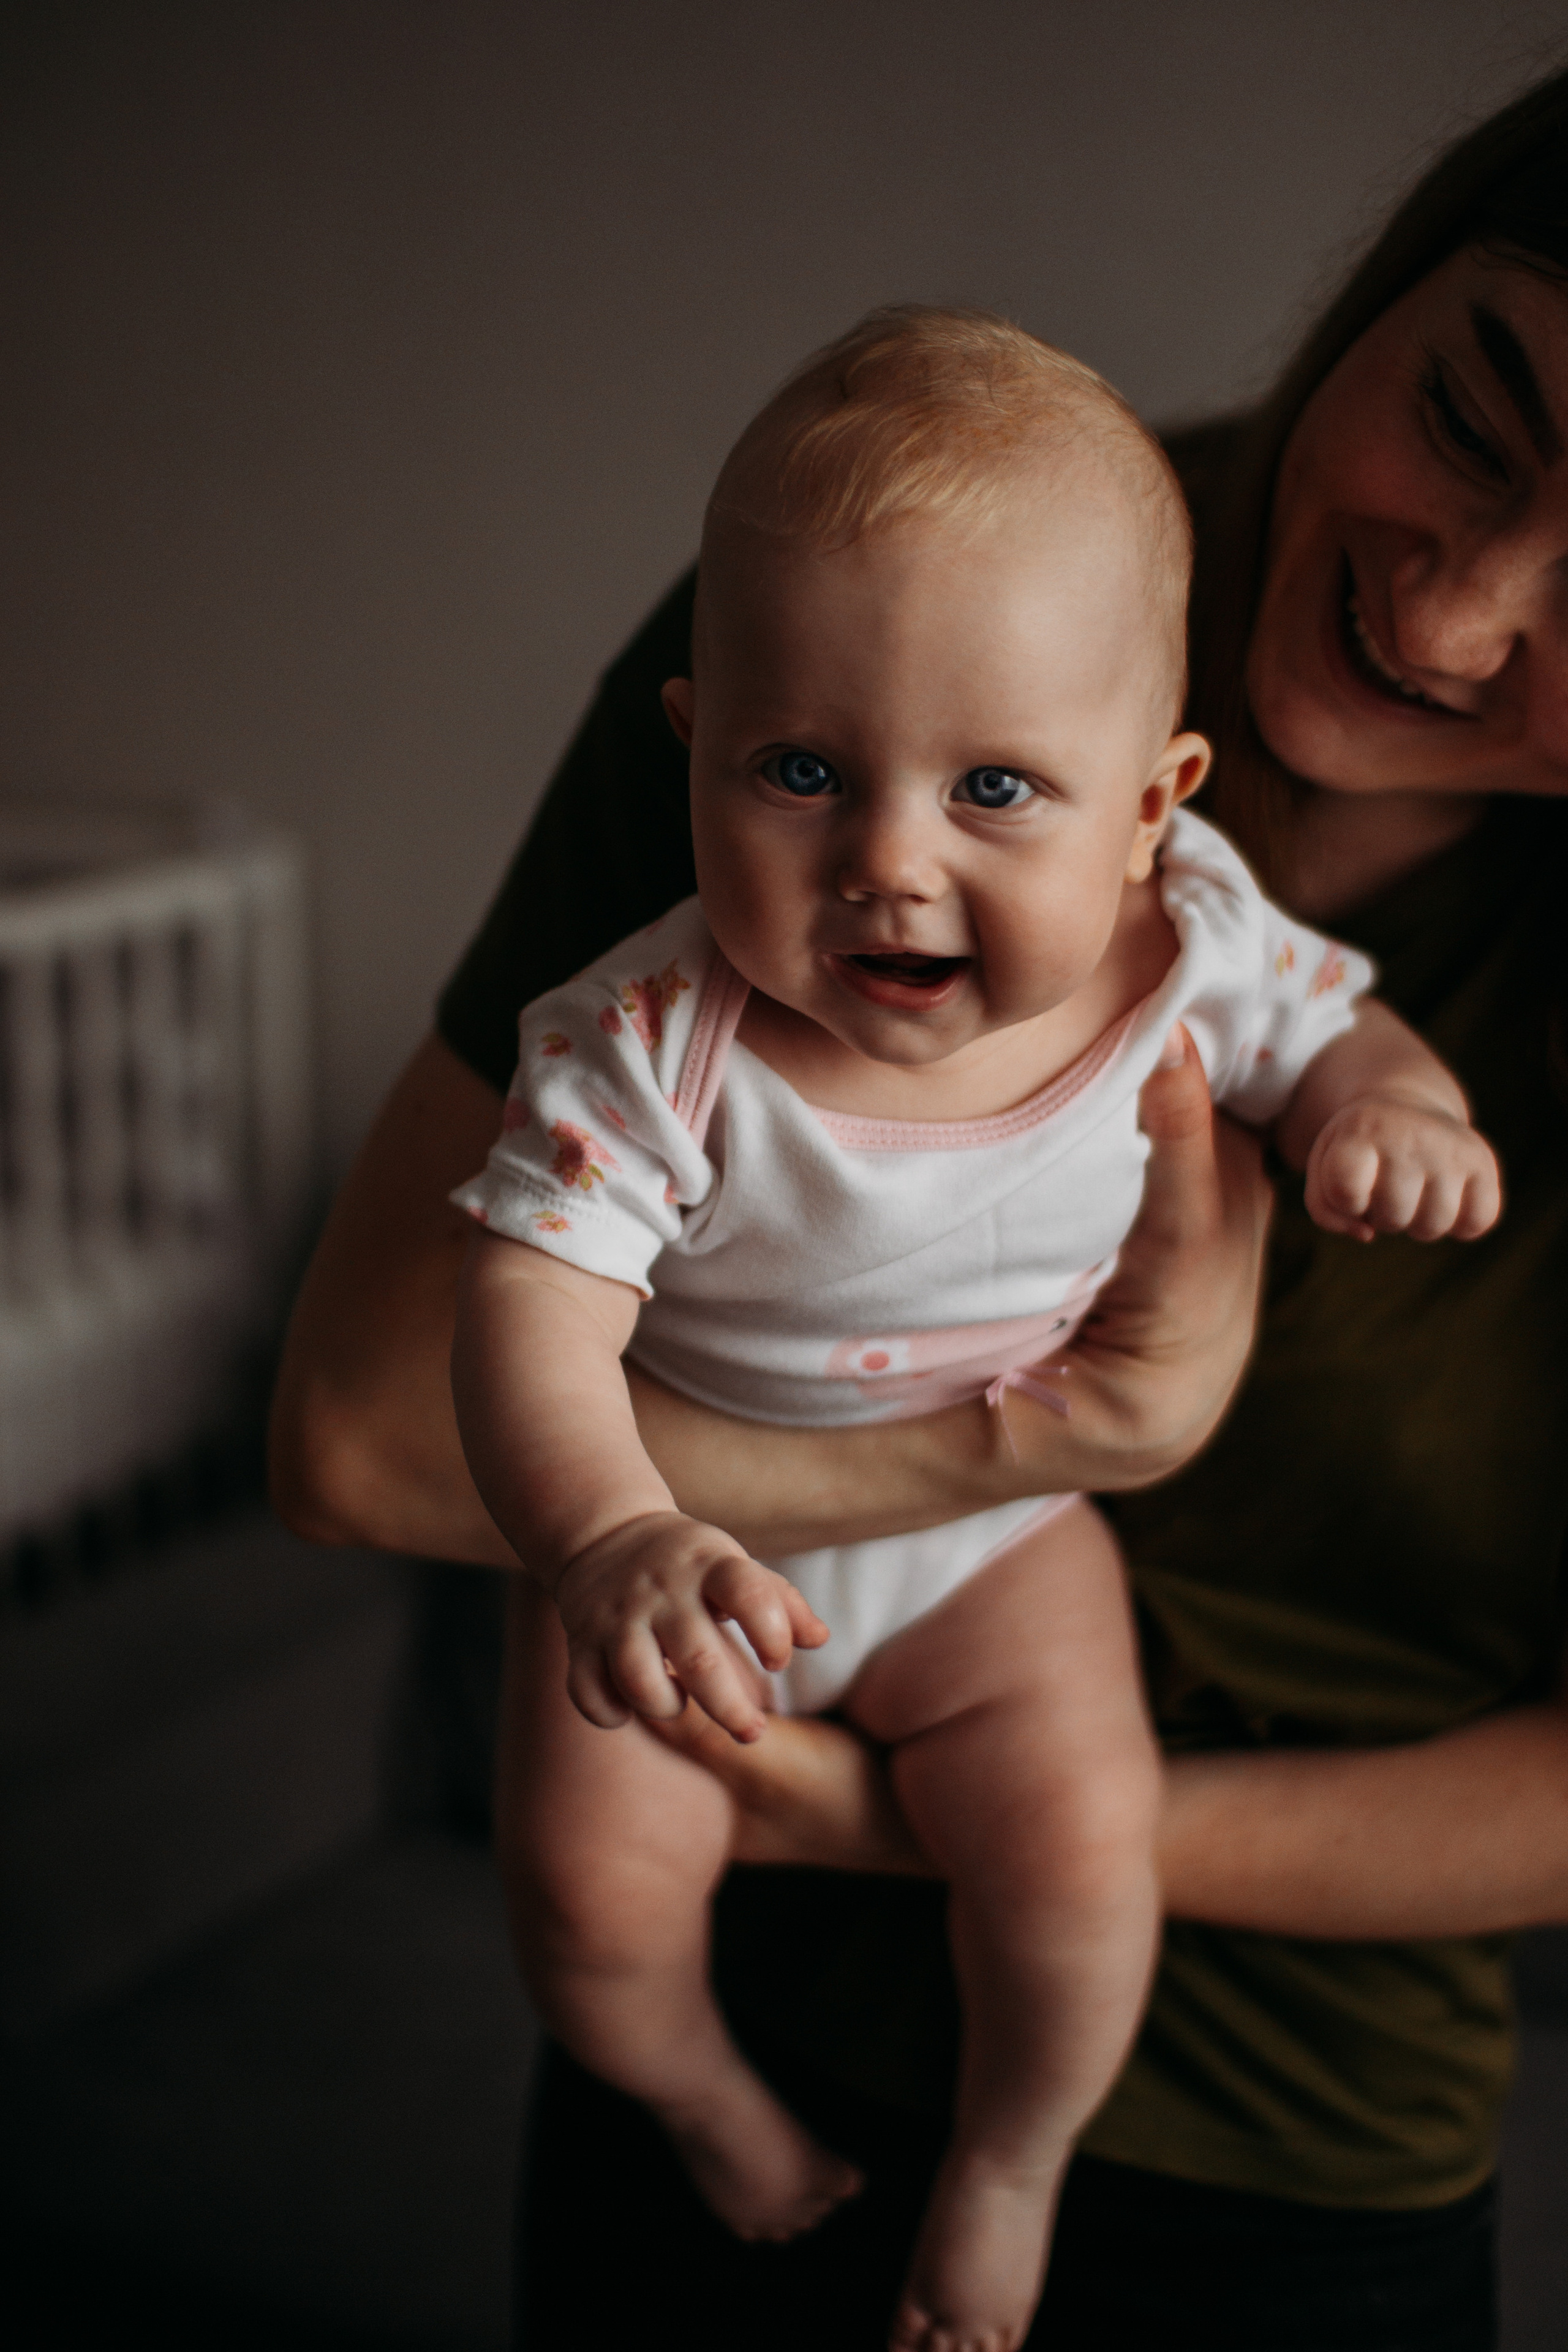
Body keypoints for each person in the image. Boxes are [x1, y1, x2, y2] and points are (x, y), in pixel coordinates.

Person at [269, 62, 1568, 2352]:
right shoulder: (838, 633)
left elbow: (1332, 1031)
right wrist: (1018, 1449)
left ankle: (1007, 2157)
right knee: (583, 1903)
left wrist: (1390, 1106)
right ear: (716, 748)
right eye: (1474, 414)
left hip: (1296, 2122)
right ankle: (690, 2101)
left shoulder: (1194, 931)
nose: (1458, 614)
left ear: (1150, 806)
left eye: (995, 792)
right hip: (743, 1739)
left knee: (1042, 1845)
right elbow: (403, 1412)